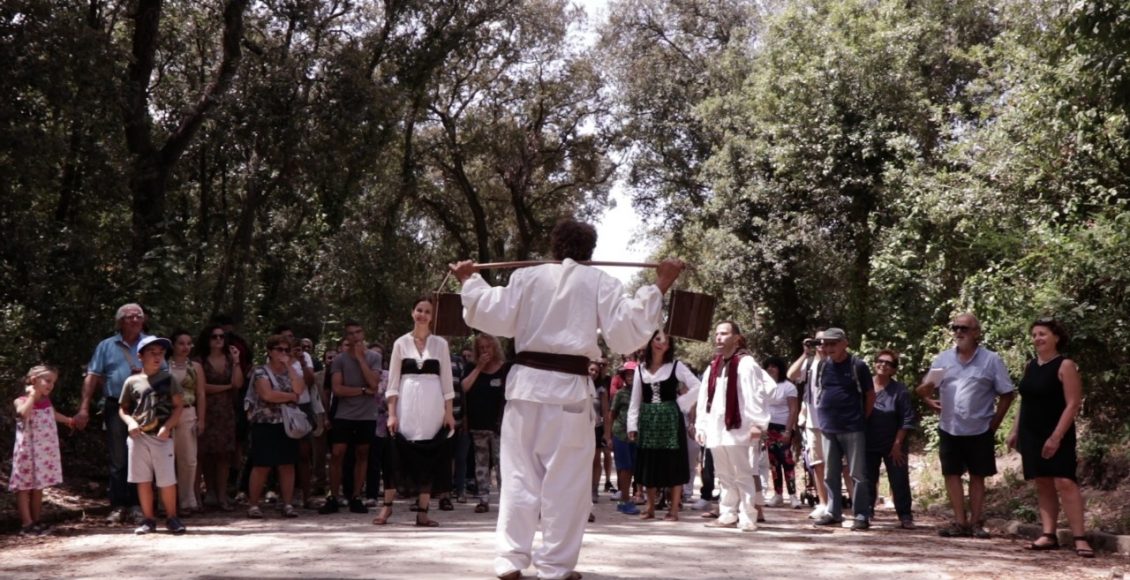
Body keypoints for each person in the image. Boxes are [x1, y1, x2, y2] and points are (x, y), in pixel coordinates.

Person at [453, 219, 684, 580]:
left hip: (526, 390)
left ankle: (510, 560)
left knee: (518, 477)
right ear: (590, 251)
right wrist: (661, 284)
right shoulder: (599, 282)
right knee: (566, 484)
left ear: (554, 246)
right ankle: (555, 567)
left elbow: (492, 311)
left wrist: (469, 279)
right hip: (568, 393)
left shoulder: (528, 277)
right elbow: (627, 331)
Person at [917, 313, 1015, 539]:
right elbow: (926, 388)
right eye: (955, 328)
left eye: (964, 328)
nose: (959, 332)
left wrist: (994, 424)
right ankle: (959, 522)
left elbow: (1007, 394)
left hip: (980, 428)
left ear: (976, 333)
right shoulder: (943, 360)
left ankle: (975, 523)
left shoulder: (991, 360)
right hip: (949, 427)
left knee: (978, 475)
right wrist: (925, 396)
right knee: (951, 474)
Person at [1007, 319, 1094, 558]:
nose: (1037, 338)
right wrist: (1014, 430)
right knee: (1042, 481)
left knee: (1065, 480)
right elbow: (1024, 401)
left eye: (1042, 334)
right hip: (1030, 431)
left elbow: (1073, 403)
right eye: (1034, 335)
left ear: (1056, 337)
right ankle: (1048, 534)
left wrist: (1056, 436)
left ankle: (1080, 538)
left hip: (1058, 430)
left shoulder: (1065, 365)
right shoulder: (1029, 366)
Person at [373, 298, 456, 527]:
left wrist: (448, 413)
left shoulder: (440, 345)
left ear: (432, 316)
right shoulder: (401, 343)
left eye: (427, 311)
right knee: (397, 453)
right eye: (419, 310)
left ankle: (423, 512)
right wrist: (391, 413)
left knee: (429, 456)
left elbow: (447, 382)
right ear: (412, 313)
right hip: (406, 404)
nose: (423, 315)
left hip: (432, 406)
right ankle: (387, 508)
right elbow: (393, 382)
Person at [694, 321, 772, 532]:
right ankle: (727, 513)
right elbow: (704, 399)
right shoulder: (714, 365)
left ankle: (748, 516)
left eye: (724, 333)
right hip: (716, 427)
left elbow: (755, 395)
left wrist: (757, 424)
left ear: (736, 338)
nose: (719, 337)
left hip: (739, 427)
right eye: (717, 333)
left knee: (743, 472)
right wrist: (701, 425)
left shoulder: (746, 364)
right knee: (723, 473)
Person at [76, 303, 150, 524]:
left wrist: (146, 374)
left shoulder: (151, 344)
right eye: (129, 317)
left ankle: (139, 505)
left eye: (139, 316)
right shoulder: (106, 346)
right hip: (115, 405)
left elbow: (164, 374)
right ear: (120, 321)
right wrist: (84, 407)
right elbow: (92, 376)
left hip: (146, 406)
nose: (135, 320)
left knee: (142, 457)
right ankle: (118, 506)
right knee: (118, 457)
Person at [628, 330, 701, 521]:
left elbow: (697, 386)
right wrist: (632, 426)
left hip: (670, 419)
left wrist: (680, 404)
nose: (661, 343)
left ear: (670, 346)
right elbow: (635, 400)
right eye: (658, 339)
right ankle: (650, 507)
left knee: (673, 461)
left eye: (666, 341)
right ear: (651, 341)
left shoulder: (675, 366)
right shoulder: (640, 369)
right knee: (650, 461)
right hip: (649, 419)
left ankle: (673, 510)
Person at [119, 336, 186, 535]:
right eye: (152, 353)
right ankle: (149, 520)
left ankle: (172, 517)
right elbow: (122, 408)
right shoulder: (131, 381)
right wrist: (130, 422)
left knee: (166, 479)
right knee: (143, 479)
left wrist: (168, 427)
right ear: (140, 356)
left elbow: (178, 406)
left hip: (161, 437)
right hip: (138, 437)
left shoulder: (168, 379)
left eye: (161, 353)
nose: (157, 357)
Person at [811, 327, 875, 531]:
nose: (828, 348)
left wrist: (861, 419)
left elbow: (870, 395)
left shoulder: (858, 366)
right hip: (829, 427)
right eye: (825, 344)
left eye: (833, 344)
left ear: (844, 343)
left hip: (853, 427)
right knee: (831, 473)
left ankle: (862, 515)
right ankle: (833, 512)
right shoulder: (822, 366)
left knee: (857, 473)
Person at [321, 320, 382, 515]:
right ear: (346, 337)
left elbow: (375, 385)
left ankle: (356, 496)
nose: (355, 337)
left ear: (363, 334)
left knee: (362, 453)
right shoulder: (339, 360)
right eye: (350, 334)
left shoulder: (373, 357)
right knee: (338, 453)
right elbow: (337, 389)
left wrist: (361, 359)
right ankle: (333, 496)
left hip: (366, 415)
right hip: (344, 414)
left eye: (358, 332)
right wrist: (363, 390)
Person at [245, 335, 305, 518]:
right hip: (265, 424)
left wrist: (289, 367)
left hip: (287, 425)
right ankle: (254, 505)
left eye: (287, 350)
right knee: (262, 465)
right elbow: (267, 395)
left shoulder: (292, 371)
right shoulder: (260, 372)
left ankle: (287, 504)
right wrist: (290, 397)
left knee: (287, 465)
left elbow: (299, 390)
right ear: (270, 352)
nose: (283, 353)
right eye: (279, 349)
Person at [10, 365, 74, 535]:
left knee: (39, 486)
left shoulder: (46, 402)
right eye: (47, 380)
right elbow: (23, 414)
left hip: (43, 453)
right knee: (23, 487)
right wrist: (32, 395)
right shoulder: (22, 400)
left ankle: (36, 521)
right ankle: (26, 523)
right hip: (26, 452)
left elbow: (53, 414)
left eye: (53, 382)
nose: (50, 385)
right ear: (33, 381)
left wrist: (69, 420)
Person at [194, 324, 244, 511]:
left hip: (226, 412)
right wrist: (225, 387)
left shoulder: (230, 360)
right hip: (205, 410)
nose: (218, 340)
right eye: (214, 337)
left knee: (224, 455)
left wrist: (237, 361)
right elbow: (201, 387)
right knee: (203, 454)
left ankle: (222, 496)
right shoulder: (199, 361)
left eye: (222, 337)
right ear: (207, 339)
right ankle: (203, 495)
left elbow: (238, 383)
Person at [865, 349, 916, 529]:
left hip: (894, 442)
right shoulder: (865, 387)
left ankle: (905, 515)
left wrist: (897, 444)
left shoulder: (899, 390)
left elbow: (907, 419)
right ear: (874, 363)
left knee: (899, 480)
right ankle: (866, 512)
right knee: (868, 479)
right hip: (868, 442)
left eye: (889, 363)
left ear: (894, 369)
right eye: (880, 361)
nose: (883, 365)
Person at [462, 333, 509, 513]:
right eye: (481, 348)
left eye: (488, 347)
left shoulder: (504, 369)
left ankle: (505, 499)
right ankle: (483, 498)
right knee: (481, 463)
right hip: (478, 423)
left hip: (499, 425)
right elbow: (464, 387)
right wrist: (479, 368)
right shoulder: (471, 367)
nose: (484, 351)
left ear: (495, 348)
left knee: (501, 464)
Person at [787, 331, 831, 519]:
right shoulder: (810, 362)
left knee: (839, 465)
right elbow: (791, 374)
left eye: (825, 341)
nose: (821, 344)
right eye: (817, 341)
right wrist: (805, 353)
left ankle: (845, 502)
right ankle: (823, 502)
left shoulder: (836, 362)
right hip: (813, 421)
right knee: (818, 463)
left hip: (833, 421)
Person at [168, 330, 206, 515]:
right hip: (166, 414)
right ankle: (165, 503)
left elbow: (201, 393)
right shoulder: (163, 365)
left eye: (189, 343)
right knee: (166, 458)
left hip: (188, 412)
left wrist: (202, 419)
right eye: (181, 343)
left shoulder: (195, 367)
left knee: (189, 459)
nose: (185, 347)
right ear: (173, 345)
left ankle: (186, 500)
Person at [760, 356, 801, 509]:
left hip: (783, 428)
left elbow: (793, 410)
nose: (770, 369)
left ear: (780, 369)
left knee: (787, 462)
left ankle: (793, 496)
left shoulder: (788, 387)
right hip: (768, 428)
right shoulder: (763, 386)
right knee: (773, 463)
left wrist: (788, 431)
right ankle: (778, 495)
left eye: (774, 366)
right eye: (768, 366)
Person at [608, 362, 640, 515]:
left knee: (633, 468)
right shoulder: (621, 394)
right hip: (620, 434)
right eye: (627, 374)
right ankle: (624, 500)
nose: (630, 377)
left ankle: (626, 498)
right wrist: (608, 437)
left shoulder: (642, 394)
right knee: (624, 467)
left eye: (633, 374)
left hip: (636, 436)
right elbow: (612, 415)